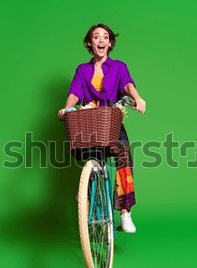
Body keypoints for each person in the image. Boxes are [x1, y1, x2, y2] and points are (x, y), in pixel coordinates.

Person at [58, 23, 146, 233]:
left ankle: (125, 212)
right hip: (90, 122)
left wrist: (137, 98)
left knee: (123, 155)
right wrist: (66, 108)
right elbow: (76, 91)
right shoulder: (83, 69)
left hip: (111, 121)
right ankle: (88, 210)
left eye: (105, 37)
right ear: (90, 43)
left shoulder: (118, 67)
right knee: (92, 163)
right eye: (96, 37)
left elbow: (127, 84)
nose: (101, 40)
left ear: (109, 43)